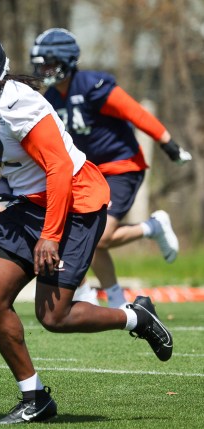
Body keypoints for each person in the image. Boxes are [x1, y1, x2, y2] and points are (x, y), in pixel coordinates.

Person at [0, 30, 173, 424]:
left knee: (54, 318)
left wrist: (49, 236)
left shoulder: (19, 104)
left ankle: (137, 317)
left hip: (77, 201)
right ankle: (35, 397)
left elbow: (59, 168)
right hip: (31, 204)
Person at [30, 28, 192, 307]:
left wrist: (168, 144)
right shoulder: (53, 99)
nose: (44, 69)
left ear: (67, 61)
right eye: (41, 63)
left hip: (121, 166)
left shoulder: (93, 85)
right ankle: (116, 300)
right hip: (89, 174)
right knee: (89, 235)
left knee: (99, 235)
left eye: (50, 62)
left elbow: (136, 113)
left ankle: (152, 227)